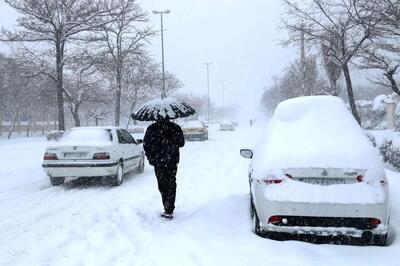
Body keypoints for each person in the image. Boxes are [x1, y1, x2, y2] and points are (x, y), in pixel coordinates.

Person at [143, 118, 185, 219]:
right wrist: (171, 141)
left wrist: (151, 157)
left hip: (158, 162)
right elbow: (182, 143)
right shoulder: (175, 127)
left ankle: (167, 205)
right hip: (172, 161)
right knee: (171, 182)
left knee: (162, 183)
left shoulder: (152, 128)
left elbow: (146, 145)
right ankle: (169, 208)